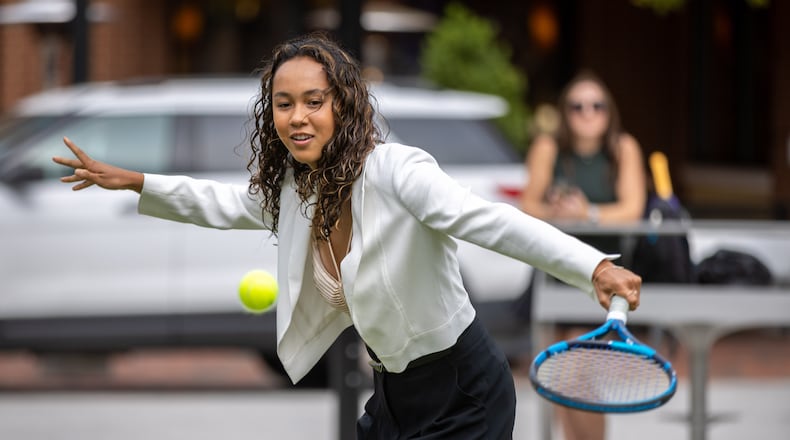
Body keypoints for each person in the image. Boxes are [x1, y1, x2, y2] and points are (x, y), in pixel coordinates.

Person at [53, 33, 642, 439]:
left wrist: (591, 266)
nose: (298, 116)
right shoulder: (298, 188)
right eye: (284, 104)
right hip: (392, 395)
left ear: (344, 105)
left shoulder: (397, 170)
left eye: (314, 101)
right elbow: (226, 202)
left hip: (463, 391)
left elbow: (485, 218)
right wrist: (136, 182)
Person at [520, 70, 647, 440]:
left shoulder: (623, 148)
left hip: (603, 277)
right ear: (564, 112)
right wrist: (558, 211)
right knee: (558, 377)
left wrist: (587, 213)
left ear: (610, 112)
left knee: (581, 375)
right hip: (554, 273)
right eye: (577, 106)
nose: (587, 113)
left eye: (597, 105)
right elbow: (527, 204)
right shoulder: (549, 147)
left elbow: (633, 208)